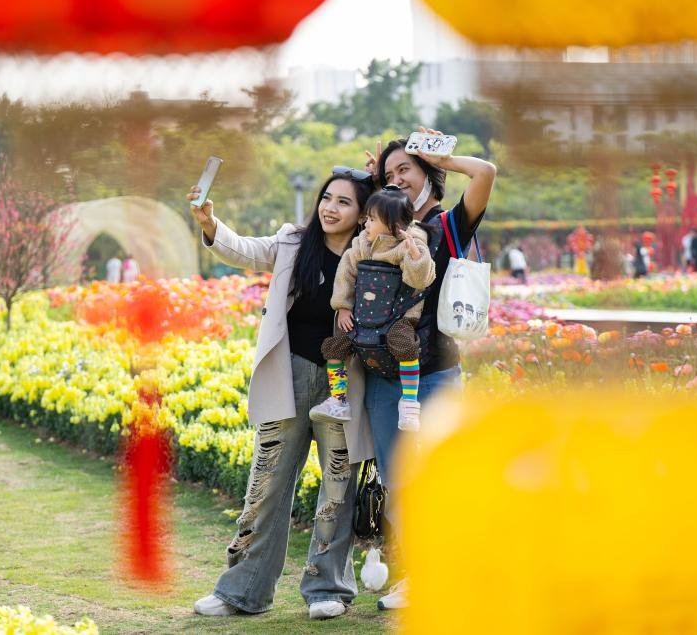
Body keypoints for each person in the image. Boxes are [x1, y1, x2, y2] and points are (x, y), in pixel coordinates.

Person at [188, 167, 376, 621]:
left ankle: (326, 588)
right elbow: (247, 251)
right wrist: (211, 223)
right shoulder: (295, 241)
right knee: (266, 484)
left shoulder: (372, 253)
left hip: (343, 383)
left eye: (344, 202)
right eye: (327, 198)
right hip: (289, 373)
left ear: (362, 211)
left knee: (337, 488)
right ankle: (243, 591)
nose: (330, 208)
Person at [367, 129, 496, 610]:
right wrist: (370, 182)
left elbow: (485, 173)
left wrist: (440, 156)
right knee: (395, 475)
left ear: (427, 175)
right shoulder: (377, 226)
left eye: (407, 170)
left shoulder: (449, 225)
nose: (396, 179)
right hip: (383, 371)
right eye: (389, 173)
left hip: (437, 368)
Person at [310, 186, 435, 431]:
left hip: (398, 317)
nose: (366, 224)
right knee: (335, 346)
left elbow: (420, 281)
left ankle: (409, 402)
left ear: (395, 225)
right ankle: (339, 399)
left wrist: (415, 256)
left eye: (372, 219)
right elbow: (345, 274)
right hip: (363, 317)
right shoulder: (361, 244)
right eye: (366, 218)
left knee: (406, 346)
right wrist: (343, 307)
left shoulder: (412, 243)